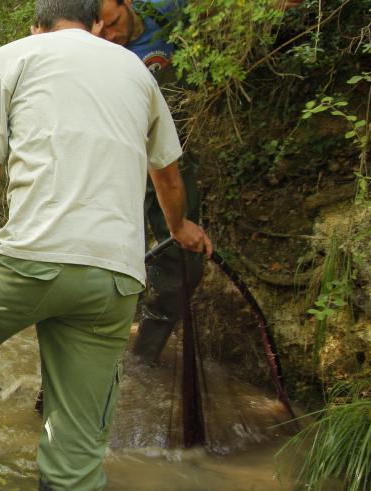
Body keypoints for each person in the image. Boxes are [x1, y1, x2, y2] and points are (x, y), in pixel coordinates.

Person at [0, 0, 212, 489]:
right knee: (76, 457)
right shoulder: (139, 73)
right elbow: (168, 177)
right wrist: (179, 229)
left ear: (36, 26)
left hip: (26, 262)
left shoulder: (12, 57)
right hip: (115, 278)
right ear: (96, 23)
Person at [97, 0, 298, 364]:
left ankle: (143, 356)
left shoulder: (167, 9)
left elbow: (226, 9)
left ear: (128, 4)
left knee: (185, 265)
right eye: (100, 29)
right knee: (108, 264)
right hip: (120, 161)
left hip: (173, 156)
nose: (109, 36)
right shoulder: (94, 47)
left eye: (113, 24)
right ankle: (97, 355)